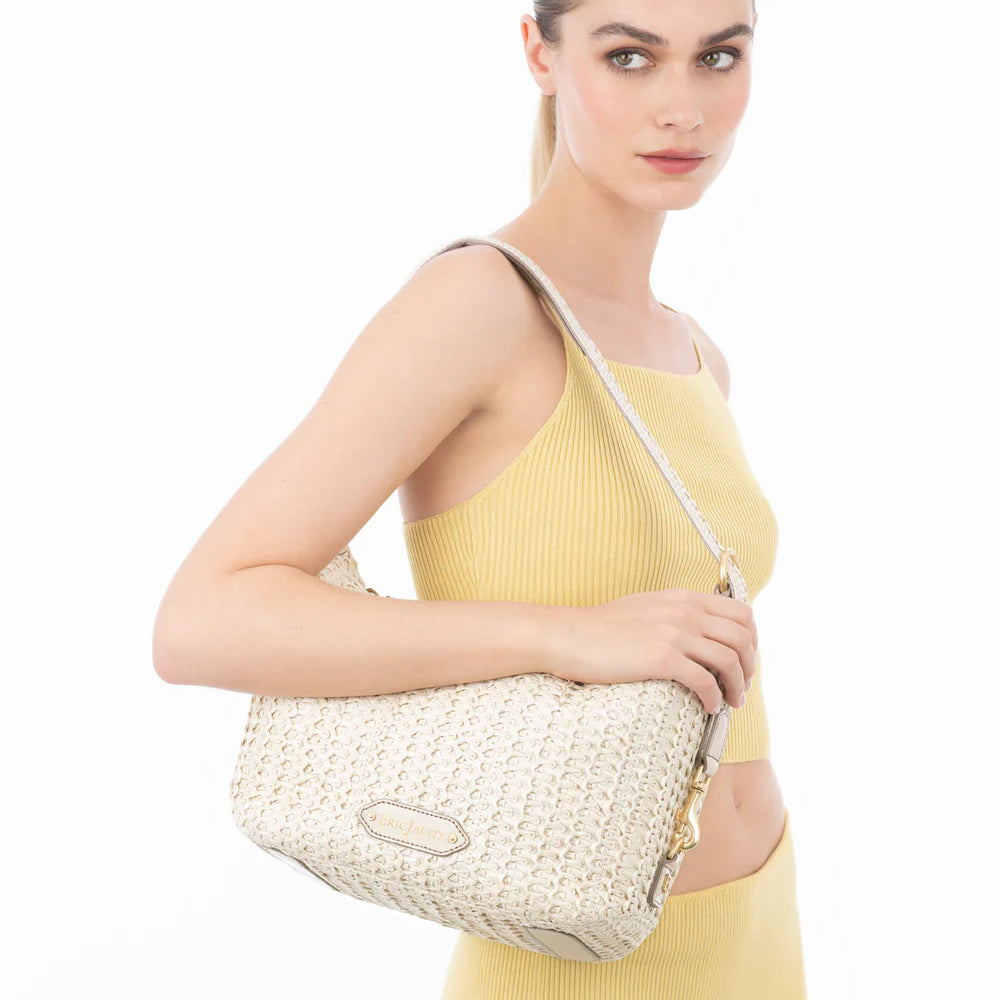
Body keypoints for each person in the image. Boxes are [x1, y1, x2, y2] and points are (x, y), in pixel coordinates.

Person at [153, 0, 808, 996]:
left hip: (754, 934)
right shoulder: (480, 304)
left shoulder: (694, 352)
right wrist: (560, 636)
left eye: (717, 57)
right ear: (540, 52)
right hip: (569, 963)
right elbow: (201, 620)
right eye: (629, 57)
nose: (683, 107)